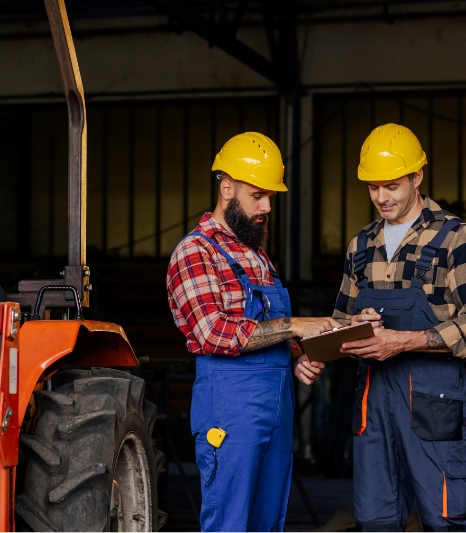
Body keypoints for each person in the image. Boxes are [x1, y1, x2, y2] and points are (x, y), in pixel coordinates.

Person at [166, 132, 337, 532]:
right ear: (227, 188)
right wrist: (294, 325)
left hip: (276, 409)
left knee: (267, 522)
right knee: (230, 522)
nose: (267, 207)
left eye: (271, 197)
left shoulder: (257, 256)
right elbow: (212, 331)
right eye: (258, 195)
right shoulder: (197, 252)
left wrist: (297, 357)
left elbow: (266, 332)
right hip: (230, 409)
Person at [334, 124, 466, 531]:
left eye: (391, 186)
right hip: (375, 398)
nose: (382, 197)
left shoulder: (456, 238)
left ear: (417, 177)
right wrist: (354, 328)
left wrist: (402, 341)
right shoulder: (361, 245)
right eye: (373, 188)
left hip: (433, 399)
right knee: (374, 519)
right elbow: (339, 322)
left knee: (444, 515)